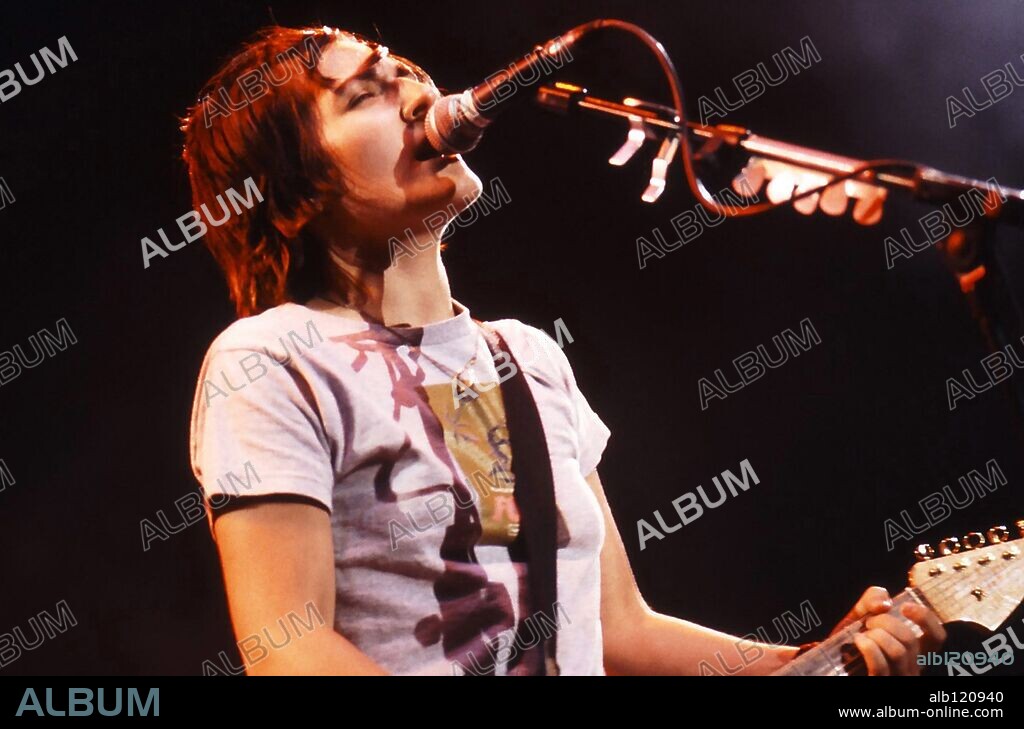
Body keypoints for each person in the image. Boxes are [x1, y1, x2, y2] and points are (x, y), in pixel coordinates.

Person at [183, 25, 946, 675]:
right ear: (293, 195)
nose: (418, 98)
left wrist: (811, 658)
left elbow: (615, 626)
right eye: (364, 96)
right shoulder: (273, 360)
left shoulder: (524, 360)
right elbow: (287, 647)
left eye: (407, 72)